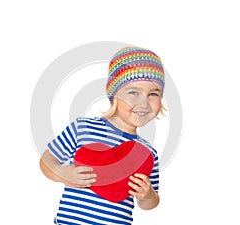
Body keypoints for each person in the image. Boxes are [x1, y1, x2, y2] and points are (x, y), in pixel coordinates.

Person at [39, 46, 165, 224]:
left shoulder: (147, 154)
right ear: (114, 95)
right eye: (133, 92)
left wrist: (148, 195)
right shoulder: (83, 128)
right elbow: (46, 160)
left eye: (153, 94)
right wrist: (61, 173)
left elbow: (148, 204)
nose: (143, 102)